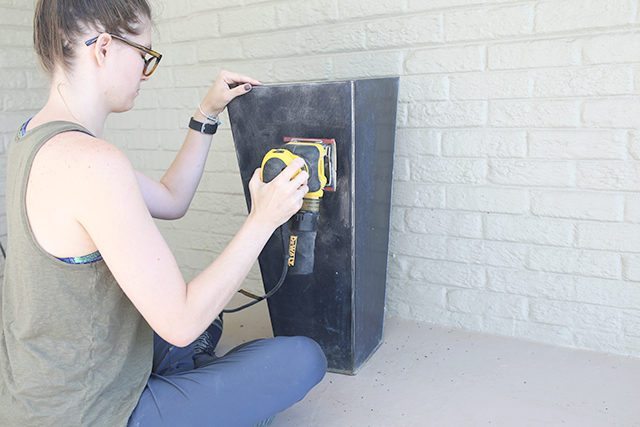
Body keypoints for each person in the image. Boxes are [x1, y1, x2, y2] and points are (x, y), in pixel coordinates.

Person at [0, 0, 327, 426]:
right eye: (144, 56)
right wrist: (263, 220)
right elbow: (181, 321)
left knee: (209, 327)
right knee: (301, 358)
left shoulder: (35, 139)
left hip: (42, 392)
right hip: (90, 414)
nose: (144, 73)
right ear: (103, 48)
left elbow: (172, 199)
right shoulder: (91, 163)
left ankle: (188, 384)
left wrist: (205, 115)